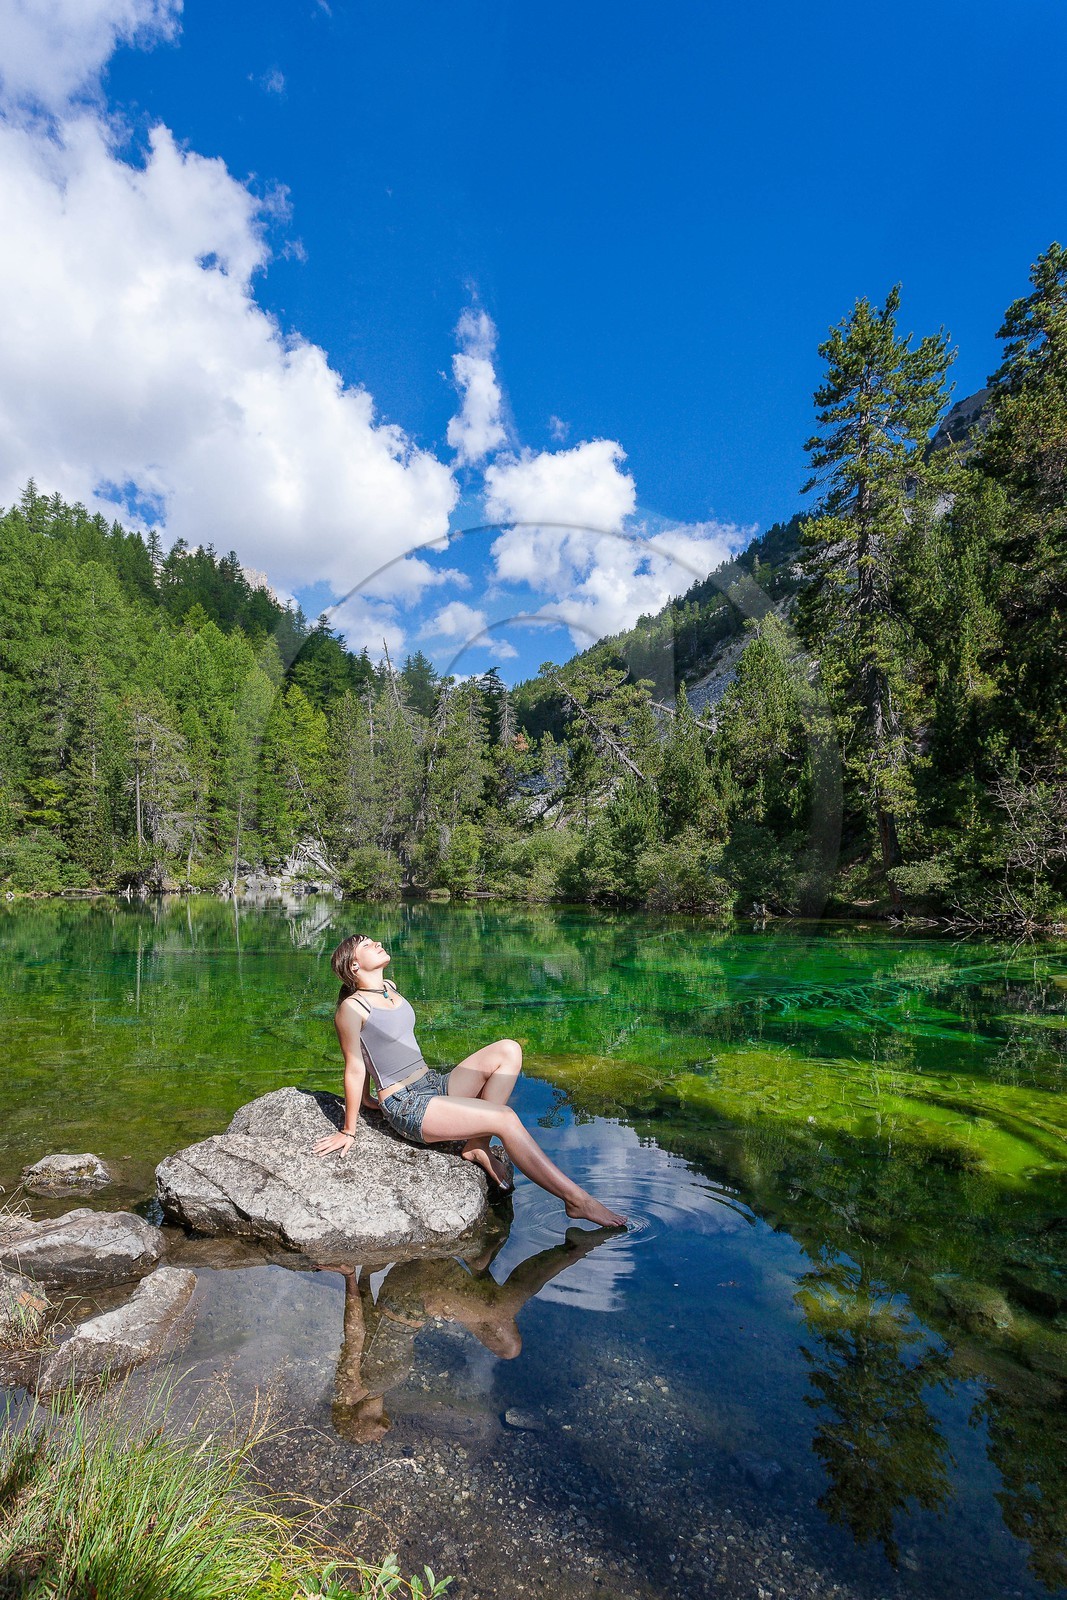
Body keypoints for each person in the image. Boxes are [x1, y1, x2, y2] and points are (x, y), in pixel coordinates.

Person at [313, 933, 627, 1229]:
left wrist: (368, 1099)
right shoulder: (351, 1008)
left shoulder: (390, 987)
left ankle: (477, 1144)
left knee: (509, 1049)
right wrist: (349, 1129)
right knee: (504, 1118)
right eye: (368, 944)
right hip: (407, 1103)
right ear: (354, 966)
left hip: (433, 1083)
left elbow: (374, 1048)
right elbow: (355, 1065)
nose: (378, 942)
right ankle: (577, 1200)